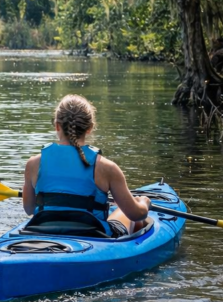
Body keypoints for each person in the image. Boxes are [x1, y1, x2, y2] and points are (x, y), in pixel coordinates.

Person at [21, 94, 150, 237]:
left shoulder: (33, 164)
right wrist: (144, 203)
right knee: (130, 216)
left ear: (57, 126)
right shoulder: (107, 168)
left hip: (42, 229)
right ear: (90, 128)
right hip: (93, 235)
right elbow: (135, 214)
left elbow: (29, 209)